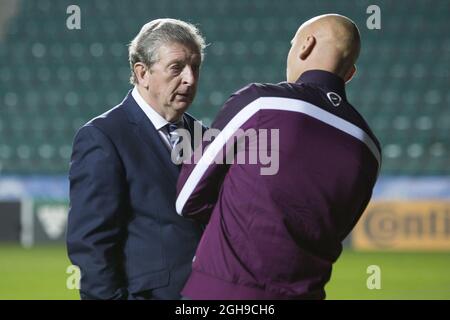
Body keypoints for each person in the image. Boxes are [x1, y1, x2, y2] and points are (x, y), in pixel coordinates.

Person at [176, 14, 381, 299]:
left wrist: (236, 215)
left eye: (292, 44)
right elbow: (334, 229)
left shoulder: (261, 102)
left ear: (306, 45)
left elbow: (188, 196)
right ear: (349, 73)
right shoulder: (369, 148)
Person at [66, 18, 206, 300]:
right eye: (177, 67)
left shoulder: (205, 136)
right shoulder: (103, 137)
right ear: (142, 73)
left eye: (195, 67)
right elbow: (91, 245)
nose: (189, 78)